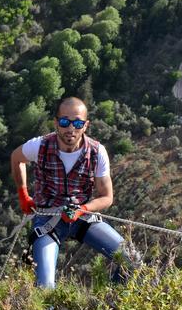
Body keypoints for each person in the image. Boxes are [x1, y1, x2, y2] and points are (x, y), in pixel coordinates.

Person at [10, 97, 133, 287]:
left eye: (77, 123)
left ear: (85, 125)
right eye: (65, 122)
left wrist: (81, 209)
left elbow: (107, 197)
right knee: (45, 286)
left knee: (131, 260)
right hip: (47, 219)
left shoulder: (97, 152)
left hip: (81, 217)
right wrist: (23, 194)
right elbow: (16, 158)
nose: (70, 129)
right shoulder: (40, 145)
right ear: (56, 122)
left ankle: (111, 305)